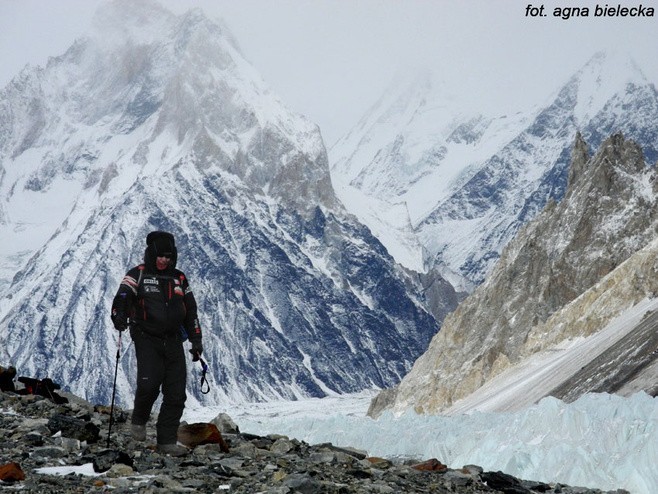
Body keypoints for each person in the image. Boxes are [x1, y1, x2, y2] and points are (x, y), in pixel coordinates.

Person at [111, 231, 203, 456]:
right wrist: (119, 315)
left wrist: (196, 339)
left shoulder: (180, 279)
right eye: (160, 256)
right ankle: (139, 419)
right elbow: (122, 296)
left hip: (173, 340)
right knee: (149, 384)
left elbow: (190, 310)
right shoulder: (138, 274)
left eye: (168, 257)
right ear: (151, 255)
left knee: (176, 393)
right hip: (146, 337)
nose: (164, 260)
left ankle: (167, 441)